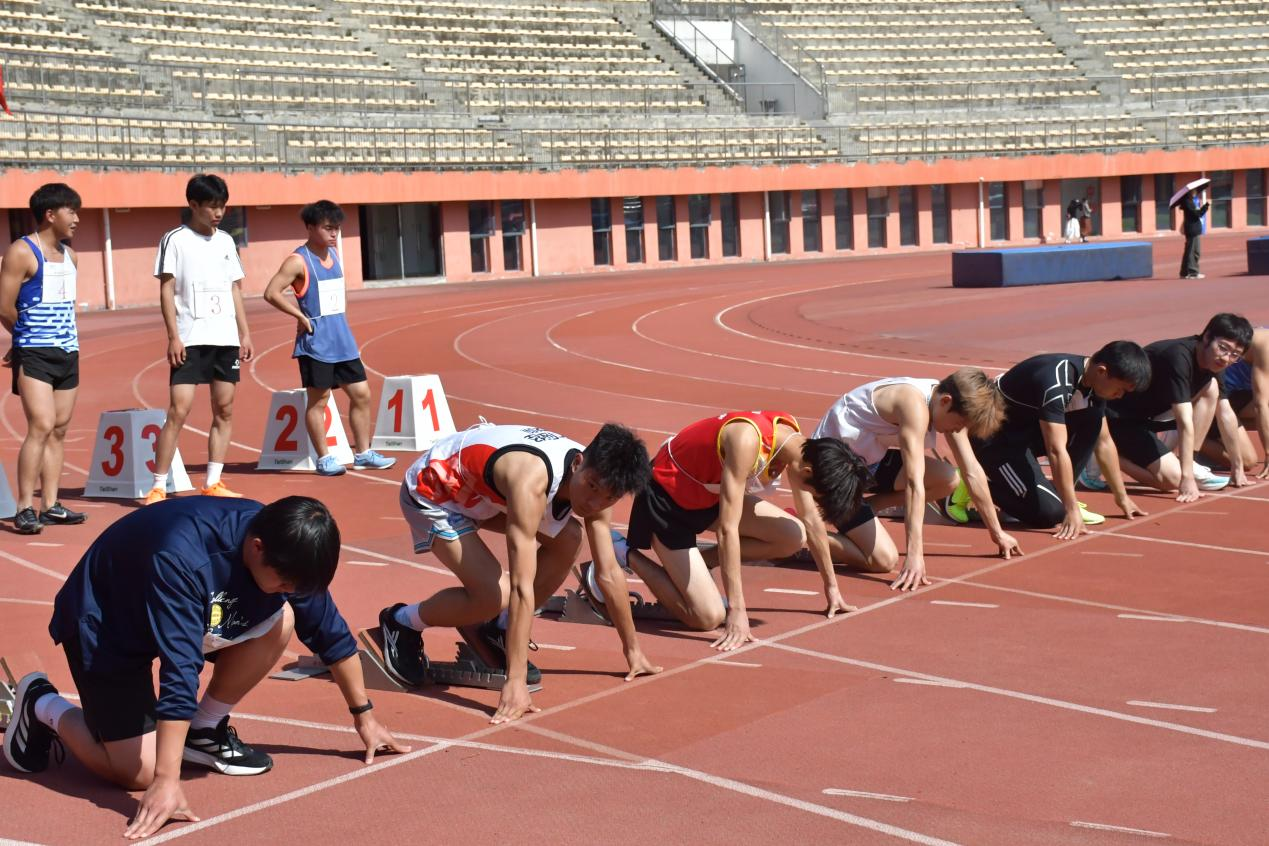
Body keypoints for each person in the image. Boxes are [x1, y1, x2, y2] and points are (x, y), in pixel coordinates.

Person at [3, 496, 409, 840]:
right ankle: (42, 703)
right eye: (285, 584)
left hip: (190, 610)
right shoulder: (182, 557)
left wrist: (365, 716)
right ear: (256, 548)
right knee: (137, 773)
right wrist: (166, 780)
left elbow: (330, 633)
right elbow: (180, 670)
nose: (291, 591)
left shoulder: (289, 548)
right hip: (108, 624)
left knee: (282, 619)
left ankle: (203, 730)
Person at [378, 421, 658, 725]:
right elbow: (521, 587)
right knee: (495, 594)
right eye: (591, 487)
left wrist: (633, 649)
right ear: (578, 463)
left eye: (609, 498)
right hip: (436, 492)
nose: (594, 503)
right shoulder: (531, 482)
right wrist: (515, 680)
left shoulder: (603, 480)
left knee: (569, 538)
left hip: (482, 495)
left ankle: (498, 628)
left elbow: (609, 571)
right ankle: (402, 621)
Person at [619, 410, 869, 651]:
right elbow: (727, 530)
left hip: (709, 497)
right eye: (816, 495)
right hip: (668, 503)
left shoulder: (797, 444)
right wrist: (737, 610)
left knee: (793, 536)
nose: (813, 499)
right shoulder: (746, 441)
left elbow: (811, 519)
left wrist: (832, 587)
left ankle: (701, 564)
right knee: (707, 617)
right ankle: (621, 552)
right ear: (807, 473)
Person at [811, 369, 1022, 592]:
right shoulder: (913, 406)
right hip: (829, 470)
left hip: (866, 462)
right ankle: (804, 532)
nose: (958, 430)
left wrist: (997, 533)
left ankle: (868, 508)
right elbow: (914, 483)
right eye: (959, 424)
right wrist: (914, 555)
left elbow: (972, 470)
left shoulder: (948, 399)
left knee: (948, 479)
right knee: (883, 560)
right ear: (946, 401)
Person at [262, 200, 395, 476]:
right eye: (328, 228)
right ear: (310, 228)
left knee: (362, 394)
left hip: (342, 340)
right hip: (316, 344)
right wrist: (300, 316)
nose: (334, 233)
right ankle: (324, 459)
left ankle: (363, 453)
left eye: (337, 228)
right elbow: (271, 292)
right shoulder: (298, 261)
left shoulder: (334, 255)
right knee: (318, 401)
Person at [143, 174, 254, 505]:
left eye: (223, 207)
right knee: (179, 410)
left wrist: (244, 333)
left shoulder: (226, 242)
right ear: (193, 205)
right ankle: (158, 486)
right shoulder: (175, 240)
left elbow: (235, 289)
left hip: (225, 338)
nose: (218, 213)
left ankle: (213, 481)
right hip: (190, 338)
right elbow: (166, 289)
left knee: (224, 409)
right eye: (212, 207)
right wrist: (173, 336)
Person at [966, 342, 1152, 534]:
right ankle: (969, 481)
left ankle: (1060, 497)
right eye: (1120, 389)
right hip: (996, 440)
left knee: (1092, 421)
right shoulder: (1055, 382)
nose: (1120, 396)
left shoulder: (1093, 382)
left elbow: (1104, 441)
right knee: (1049, 514)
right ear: (1102, 371)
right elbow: (1056, 449)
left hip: (1025, 432)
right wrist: (1071, 510)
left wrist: (1122, 497)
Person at [0, 183, 87, 534]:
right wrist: (22, 338)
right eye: (71, 211)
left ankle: (50, 505)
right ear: (50, 214)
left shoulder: (71, 256)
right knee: (41, 425)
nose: (77, 219)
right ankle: (24, 506)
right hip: (35, 352)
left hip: (68, 351)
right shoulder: (22, 251)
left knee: (59, 430)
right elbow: (4, 305)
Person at [1104, 314, 1253, 502]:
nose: (1226, 358)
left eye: (1235, 355)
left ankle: (1189, 460)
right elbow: (1184, 420)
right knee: (1172, 481)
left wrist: (1237, 467)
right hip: (1120, 418)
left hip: (1152, 417)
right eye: (1223, 348)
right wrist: (1186, 478)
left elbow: (1225, 412)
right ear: (1207, 337)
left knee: (1211, 388)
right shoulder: (1177, 357)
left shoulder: (1214, 362)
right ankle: (1102, 452)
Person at [1200, 326, 1267, 475]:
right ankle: (1188, 435)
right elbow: (1261, 404)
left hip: (1237, 396)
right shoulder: (1265, 344)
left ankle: (1215, 437)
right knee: (1248, 461)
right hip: (1211, 398)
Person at [1179, 188, 1209, 279]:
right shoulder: (1188, 202)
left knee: (1189, 251)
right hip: (1192, 230)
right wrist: (1205, 207)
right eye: (1194, 191)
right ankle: (1193, 272)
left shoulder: (1190, 202)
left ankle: (1184, 272)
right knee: (1194, 252)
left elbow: (1196, 213)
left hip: (1193, 229)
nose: (1195, 192)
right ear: (1190, 192)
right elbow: (1197, 214)